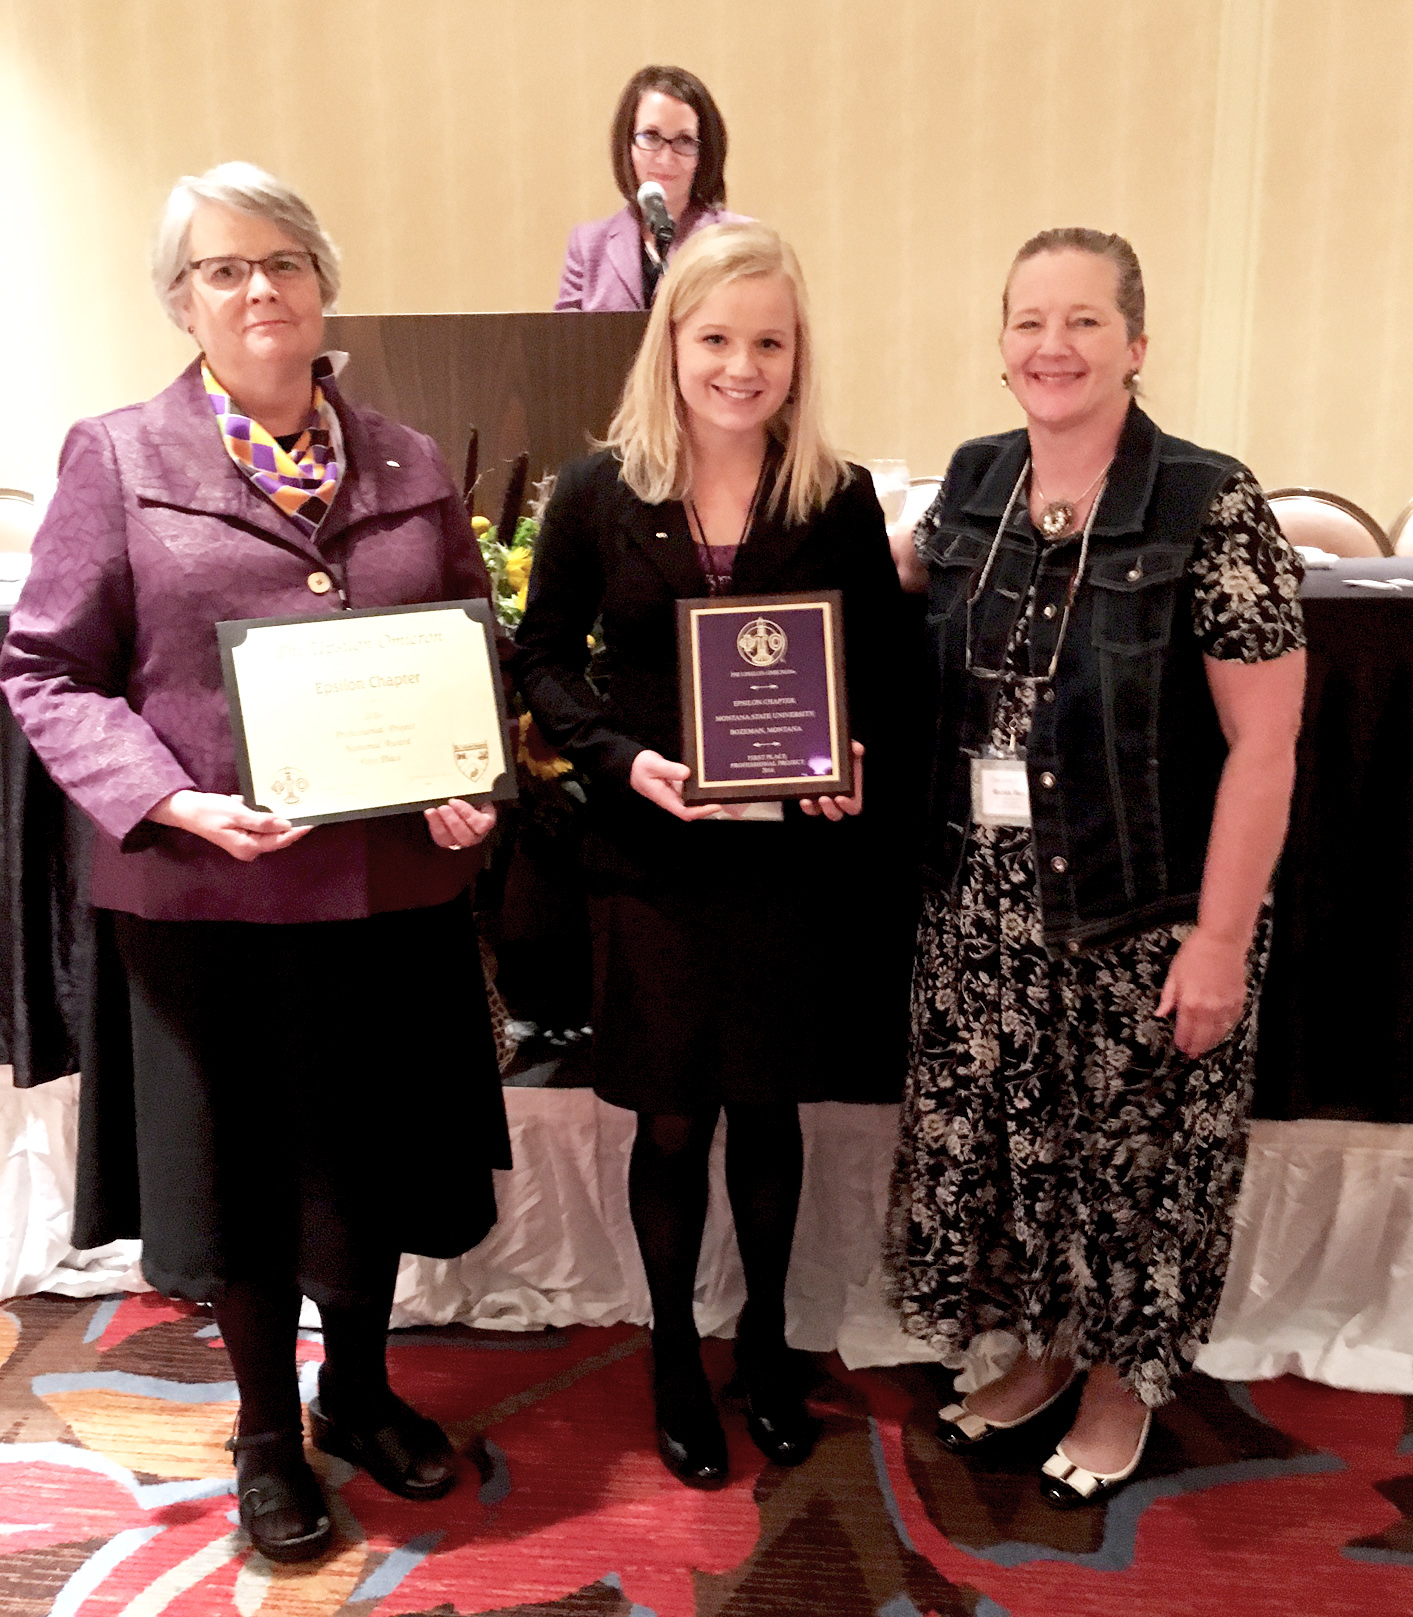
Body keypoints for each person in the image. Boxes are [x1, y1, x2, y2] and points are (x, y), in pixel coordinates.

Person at [0, 163, 512, 1562]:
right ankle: (266, 1437)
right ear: (183, 301)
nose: (259, 288)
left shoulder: (408, 461)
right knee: (238, 1179)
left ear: (323, 280)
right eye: (224, 269)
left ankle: (357, 1392)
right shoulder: (117, 458)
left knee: (369, 1163)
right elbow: (45, 671)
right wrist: (165, 798)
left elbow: (466, 645)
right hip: (208, 903)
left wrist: (471, 779)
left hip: (383, 899)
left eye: (282, 259)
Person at [886, 228, 1306, 1507]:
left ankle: (1122, 1383)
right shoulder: (971, 482)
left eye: (1082, 322)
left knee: (1138, 1170)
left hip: (1143, 905)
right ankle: (1049, 1357)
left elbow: (1267, 743)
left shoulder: (1208, 500)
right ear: (1000, 341)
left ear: (1136, 342)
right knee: (1023, 1158)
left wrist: (1222, 940)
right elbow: (874, 616)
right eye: (1027, 321)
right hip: (980, 908)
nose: (1050, 347)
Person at [517, 221, 909, 1486]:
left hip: (786, 868)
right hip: (655, 861)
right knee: (675, 1125)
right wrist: (622, 757)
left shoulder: (835, 495)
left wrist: (853, 758)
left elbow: (883, 672)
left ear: (800, 355)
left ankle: (769, 1349)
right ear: (671, 340)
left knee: (770, 1111)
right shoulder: (594, 493)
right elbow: (539, 659)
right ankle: (676, 1352)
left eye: (770, 342)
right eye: (717, 338)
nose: (743, 366)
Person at [555, 64, 746, 311]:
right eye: (651, 136)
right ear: (628, 144)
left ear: (704, 153)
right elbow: (565, 343)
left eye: (684, 140)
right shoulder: (588, 245)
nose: (666, 158)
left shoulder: (738, 240)